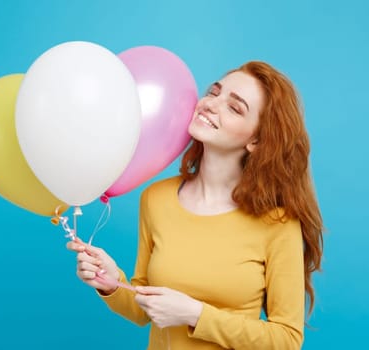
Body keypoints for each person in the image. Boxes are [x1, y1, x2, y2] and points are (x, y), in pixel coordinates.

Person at [66, 61, 324, 349]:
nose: (211, 105)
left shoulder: (277, 223)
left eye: (234, 108)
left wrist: (195, 314)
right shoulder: (156, 198)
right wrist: (112, 283)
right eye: (214, 93)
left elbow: (287, 339)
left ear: (256, 140)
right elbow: (143, 309)